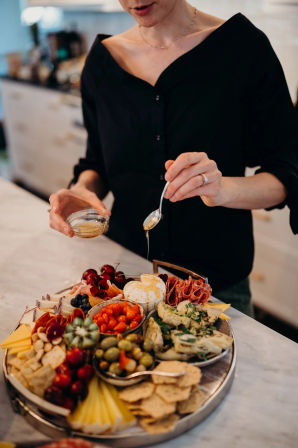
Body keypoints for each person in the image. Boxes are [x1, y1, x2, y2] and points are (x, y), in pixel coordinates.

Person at [49, 1, 298, 316]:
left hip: (215, 288)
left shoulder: (244, 49)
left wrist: (222, 189)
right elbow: (96, 162)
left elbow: (286, 170)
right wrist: (83, 190)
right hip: (125, 282)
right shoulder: (101, 63)